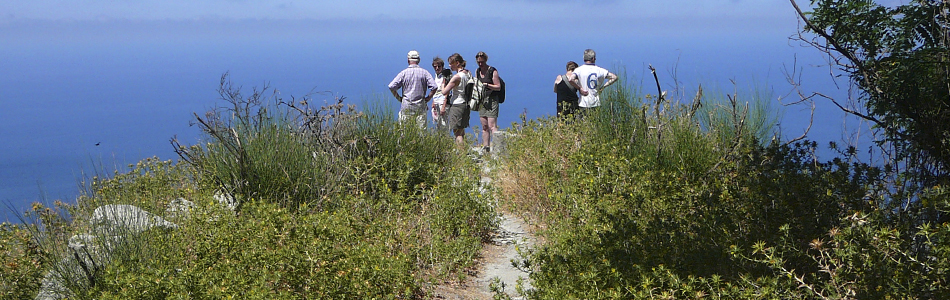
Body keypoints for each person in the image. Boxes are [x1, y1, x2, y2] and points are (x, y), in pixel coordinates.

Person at [388, 50, 438, 128]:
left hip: (406, 105)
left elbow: (391, 86)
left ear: (408, 60)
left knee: (404, 131)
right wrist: (428, 98)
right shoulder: (425, 73)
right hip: (420, 106)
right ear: (419, 60)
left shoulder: (403, 73)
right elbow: (434, 87)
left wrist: (399, 98)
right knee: (421, 132)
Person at [573, 49, 618, 113]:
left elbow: (570, 79)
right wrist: (603, 87)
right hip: (595, 103)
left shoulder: (578, 70)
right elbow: (614, 77)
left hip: (583, 103)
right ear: (593, 58)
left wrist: (579, 88)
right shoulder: (600, 70)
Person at [440, 53, 471, 145]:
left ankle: (460, 154)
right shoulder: (468, 73)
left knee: (457, 132)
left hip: (457, 104)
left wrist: (443, 83)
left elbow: (444, 91)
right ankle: (464, 151)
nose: (450, 66)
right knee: (461, 130)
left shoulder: (456, 77)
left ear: (457, 63)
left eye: (451, 63)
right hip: (466, 103)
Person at [474, 51, 501, 152]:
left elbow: (498, 87)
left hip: (492, 100)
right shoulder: (477, 71)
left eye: (482, 62)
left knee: (492, 126)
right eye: (478, 62)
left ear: (485, 60)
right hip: (482, 100)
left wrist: (487, 85)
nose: (480, 64)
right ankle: (486, 147)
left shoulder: (492, 71)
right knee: (484, 126)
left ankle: (498, 147)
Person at [430, 56, 451, 130]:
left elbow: (447, 91)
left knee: (444, 124)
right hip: (436, 101)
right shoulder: (436, 75)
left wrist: (444, 106)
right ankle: (440, 140)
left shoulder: (445, 75)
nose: (437, 68)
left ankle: (446, 140)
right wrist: (433, 102)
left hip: (443, 102)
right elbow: (436, 89)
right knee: (438, 124)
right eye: (435, 66)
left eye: (439, 66)